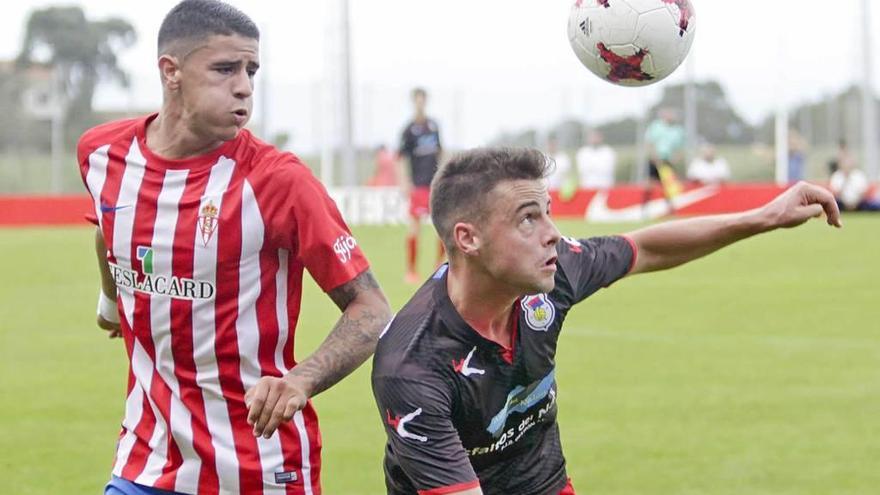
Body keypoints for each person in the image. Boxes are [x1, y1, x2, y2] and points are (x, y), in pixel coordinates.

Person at [371, 147, 841, 495]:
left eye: (549, 213)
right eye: (528, 219)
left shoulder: (554, 275)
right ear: (467, 239)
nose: (554, 234)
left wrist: (764, 216)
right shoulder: (411, 368)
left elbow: (645, 248)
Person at [78, 2, 391, 494]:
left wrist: (301, 380)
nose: (244, 85)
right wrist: (110, 300)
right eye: (225, 69)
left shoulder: (279, 181)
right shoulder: (101, 155)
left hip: (260, 470)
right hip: (147, 462)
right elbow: (107, 225)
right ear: (171, 72)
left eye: (251, 70)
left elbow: (371, 307)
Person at [398, 87, 445, 283]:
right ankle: (411, 271)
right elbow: (401, 158)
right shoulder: (408, 130)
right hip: (418, 186)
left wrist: (444, 175)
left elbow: (440, 152)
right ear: (413, 102)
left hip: (434, 184)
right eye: (416, 100)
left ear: (425, 101)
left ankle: (439, 267)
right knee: (414, 229)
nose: (420, 104)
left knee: (442, 227)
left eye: (422, 100)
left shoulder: (434, 126)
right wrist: (404, 182)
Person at [644, 108, 686, 212]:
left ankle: (670, 209)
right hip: (655, 160)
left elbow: (680, 148)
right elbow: (650, 143)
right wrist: (654, 156)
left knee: (668, 186)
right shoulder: (656, 127)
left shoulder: (678, 130)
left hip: (668, 161)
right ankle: (645, 207)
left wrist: (676, 158)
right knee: (650, 184)